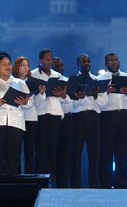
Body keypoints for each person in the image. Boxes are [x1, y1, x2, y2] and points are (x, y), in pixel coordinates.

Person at [97, 53, 127, 189]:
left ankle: (121, 182)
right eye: (110, 61)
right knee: (106, 151)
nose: (113, 63)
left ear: (119, 61)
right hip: (107, 117)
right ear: (105, 64)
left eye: (115, 60)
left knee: (123, 151)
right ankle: (105, 182)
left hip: (125, 117)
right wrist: (106, 92)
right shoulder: (100, 79)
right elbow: (100, 104)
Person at [31, 49, 69, 185]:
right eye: (46, 59)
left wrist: (63, 95)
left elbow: (66, 103)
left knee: (53, 149)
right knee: (41, 148)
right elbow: (32, 99)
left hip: (56, 114)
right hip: (41, 114)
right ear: (40, 60)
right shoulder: (33, 75)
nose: (49, 61)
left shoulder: (58, 76)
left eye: (51, 59)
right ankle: (39, 180)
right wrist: (42, 93)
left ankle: (51, 179)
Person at [69, 53, 102, 188]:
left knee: (94, 152)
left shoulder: (97, 80)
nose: (86, 64)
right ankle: (75, 184)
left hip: (94, 118)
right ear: (78, 64)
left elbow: (104, 103)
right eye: (83, 62)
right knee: (76, 152)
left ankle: (94, 183)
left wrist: (95, 96)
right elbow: (70, 104)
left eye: (88, 61)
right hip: (78, 118)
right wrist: (81, 98)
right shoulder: (73, 80)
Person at [13, 56, 40, 174]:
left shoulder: (32, 81)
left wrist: (26, 102)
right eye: (22, 65)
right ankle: (16, 176)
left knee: (29, 150)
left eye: (27, 65)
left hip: (31, 118)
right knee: (16, 150)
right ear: (17, 67)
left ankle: (30, 176)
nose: (25, 68)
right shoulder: (12, 82)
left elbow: (33, 102)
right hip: (17, 119)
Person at [52, 56, 73, 188]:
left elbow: (69, 106)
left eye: (61, 65)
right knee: (51, 152)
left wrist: (64, 96)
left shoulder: (67, 82)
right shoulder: (46, 82)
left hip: (66, 120)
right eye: (57, 65)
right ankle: (50, 183)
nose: (60, 68)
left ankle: (63, 184)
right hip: (50, 120)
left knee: (65, 153)